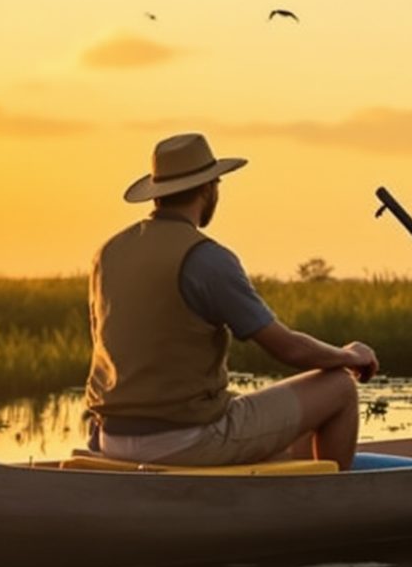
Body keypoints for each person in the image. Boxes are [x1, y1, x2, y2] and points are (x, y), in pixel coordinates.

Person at [86, 133, 378, 468]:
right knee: (339, 387)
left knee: (270, 428)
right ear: (210, 188)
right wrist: (349, 355)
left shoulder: (108, 252)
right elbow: (289, 349)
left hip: (109, 439)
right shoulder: (206, 257)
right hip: (187, 440)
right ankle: (334, 506)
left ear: (158, 194)